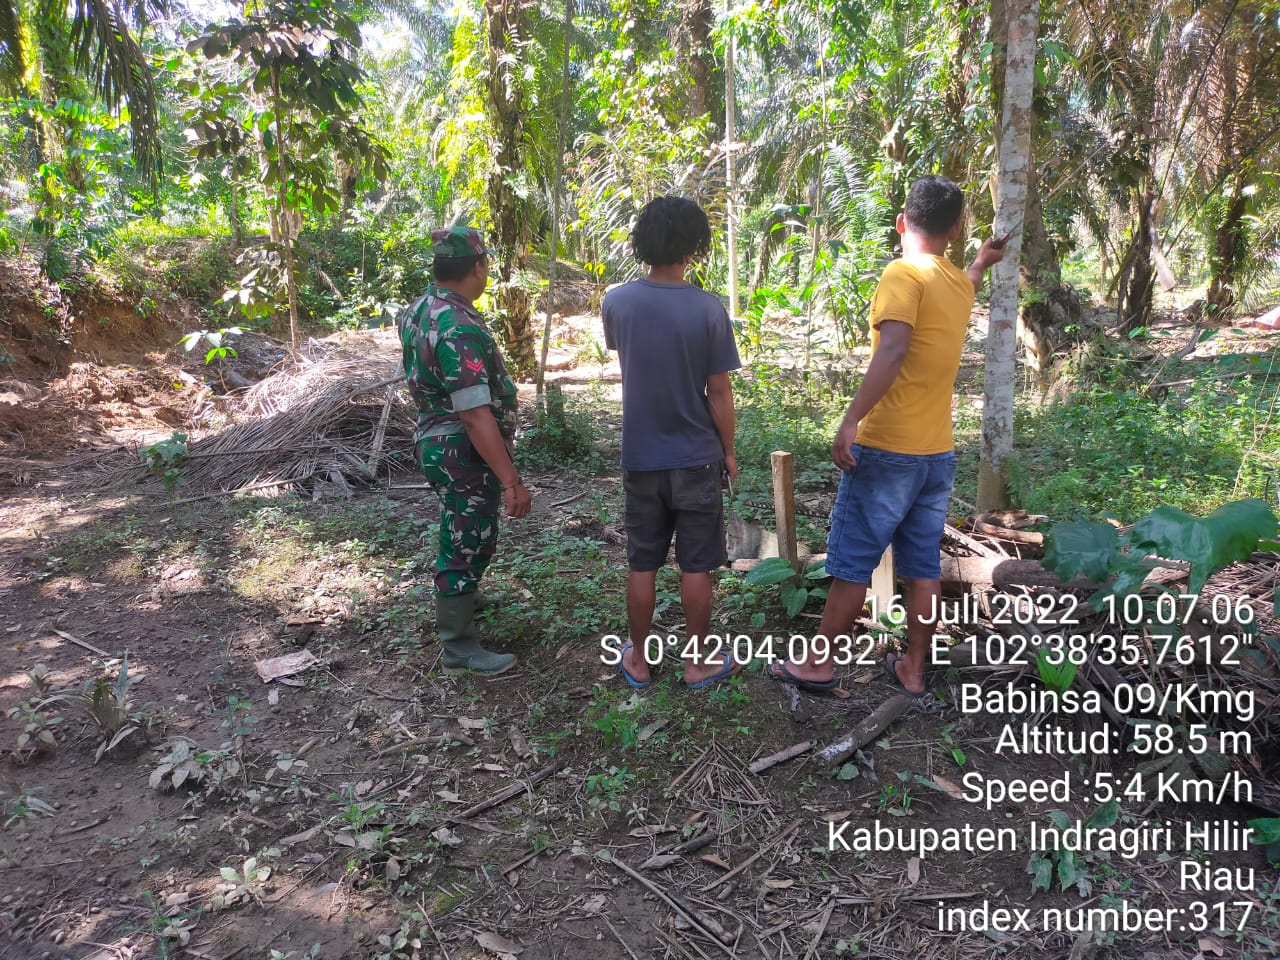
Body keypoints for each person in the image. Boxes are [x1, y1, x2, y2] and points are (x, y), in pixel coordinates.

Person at [768, 175, 1006, 696]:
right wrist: (982, 263)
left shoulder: (903, 272)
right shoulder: (955, 284)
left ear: (902, 222)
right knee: (922, 568)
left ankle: (818, 663)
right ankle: (915, 671)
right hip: (936, 455)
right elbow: (965, 283)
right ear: (955, 229)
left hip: (889, 450)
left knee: (853, 562)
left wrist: (851, 418)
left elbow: (893, 350)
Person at [603, 196, 742, 690]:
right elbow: (718, 391)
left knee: (643, 561)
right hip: (695, 458)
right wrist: (728, 452)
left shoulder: (616, 302)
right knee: (697, 563)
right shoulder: (708, 309)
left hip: (641, 457)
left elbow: (633, 361)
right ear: (693, 246)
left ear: (644, 242)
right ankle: (697, 661)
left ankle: (639, 660)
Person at [398, 226, 531, 676]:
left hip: (434, 439)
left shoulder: (418, 310)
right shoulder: (458, 325)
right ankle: (458, 647)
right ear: (477, 267)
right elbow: (474, 414)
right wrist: (511, 479)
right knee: (467, 538)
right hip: (462, 447)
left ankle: (465, 601)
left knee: (462, 529)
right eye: (487, 263)